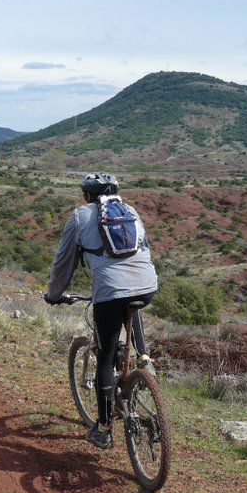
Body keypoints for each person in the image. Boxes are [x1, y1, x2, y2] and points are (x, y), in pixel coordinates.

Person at [44, 171, 158, 449]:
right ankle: (144, 358)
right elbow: (144, 250)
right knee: (132, 302)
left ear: (87, 195)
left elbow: (63, 261)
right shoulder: (130, 211)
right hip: (147, 285)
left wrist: (54, 294)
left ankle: (105, 427)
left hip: (108, 293)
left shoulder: (80, 216)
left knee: (105, 359)